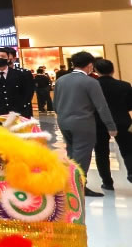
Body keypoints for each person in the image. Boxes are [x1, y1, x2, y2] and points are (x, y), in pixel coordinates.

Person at [54, 51, 117, 197]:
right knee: (82, 155)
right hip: (83, 123)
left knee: (72, 153)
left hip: (64, 121)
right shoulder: (91, 82)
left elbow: (55, 104)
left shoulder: (61, 80)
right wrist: (110, 126)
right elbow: (101, 106)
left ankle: (69, 183)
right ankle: (78, 186)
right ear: (89, 65)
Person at [93, 59, 132, 189]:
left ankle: (107, 182)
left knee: (101, 152)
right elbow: (130, 104)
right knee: (128, 149)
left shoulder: (93, 86)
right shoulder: (125, 85)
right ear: (113, 70)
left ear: (96, 70)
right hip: (123, 121)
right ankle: (131, 173)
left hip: (99, 122)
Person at [0, 46, 35, 119]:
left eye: (3, 56)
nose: (0, 58)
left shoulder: (19, 74)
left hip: (17, 113)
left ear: (8, 59)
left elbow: (26, 93)